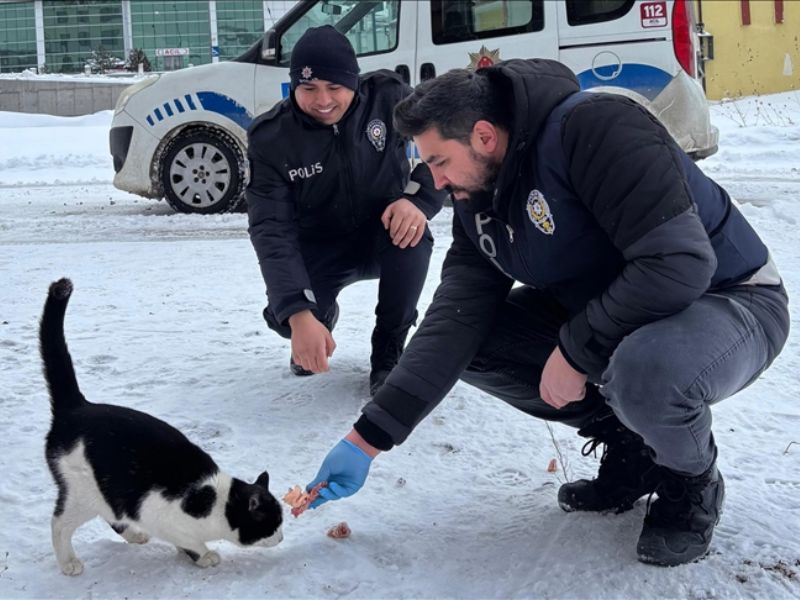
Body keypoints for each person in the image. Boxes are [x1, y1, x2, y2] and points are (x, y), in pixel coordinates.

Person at [304, 59, 790, 566]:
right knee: (476, 342)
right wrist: (367, 439)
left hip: (730, 298)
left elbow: (680, 263)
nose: (437, 182)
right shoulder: (479, 198)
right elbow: (456, 318)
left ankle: (691, 481)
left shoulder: (595, 127)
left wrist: (577, 350)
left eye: (439, 162)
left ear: (485, 135)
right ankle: (635, 449)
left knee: (646, 371)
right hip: (625, 314)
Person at [246, 26, 446, 395]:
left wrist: (417, 200)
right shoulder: (271, 138)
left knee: (413, 238)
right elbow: (271, 229)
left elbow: (447, 144)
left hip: (383, 231)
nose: (322, 100)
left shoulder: (388, 98)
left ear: (353, 82)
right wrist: (298, 313)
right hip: (321, 247)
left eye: (334, 87)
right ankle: (319, 321)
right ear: (294, 87)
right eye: (308, 89)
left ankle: (388, 349)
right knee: (285, 316)